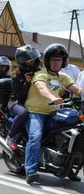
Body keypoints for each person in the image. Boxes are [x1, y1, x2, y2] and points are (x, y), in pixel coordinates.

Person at [23, 43, 82, 184]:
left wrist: (81, 92)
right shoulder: (40, 74)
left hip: (54, 112)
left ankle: (69, 168)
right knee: (35, 136)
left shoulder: (63, 76)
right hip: (36, 112)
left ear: (64, 62)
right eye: (54, 60)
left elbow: (77, 88)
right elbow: (42, 88)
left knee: (75, 132)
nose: (57, 63)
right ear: (48, 61)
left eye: (60, 60)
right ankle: (30, 170)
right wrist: (53, 98)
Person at [5, 45, 41, 150]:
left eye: (34, 59)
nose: (33, 61)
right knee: (24, 112)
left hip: (31, 102)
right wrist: (26, 83)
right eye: (30, 60)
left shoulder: (38, 72)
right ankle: (10, 136)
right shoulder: (17, 75)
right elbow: (19, 96)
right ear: (23, 61)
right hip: (15, 102)